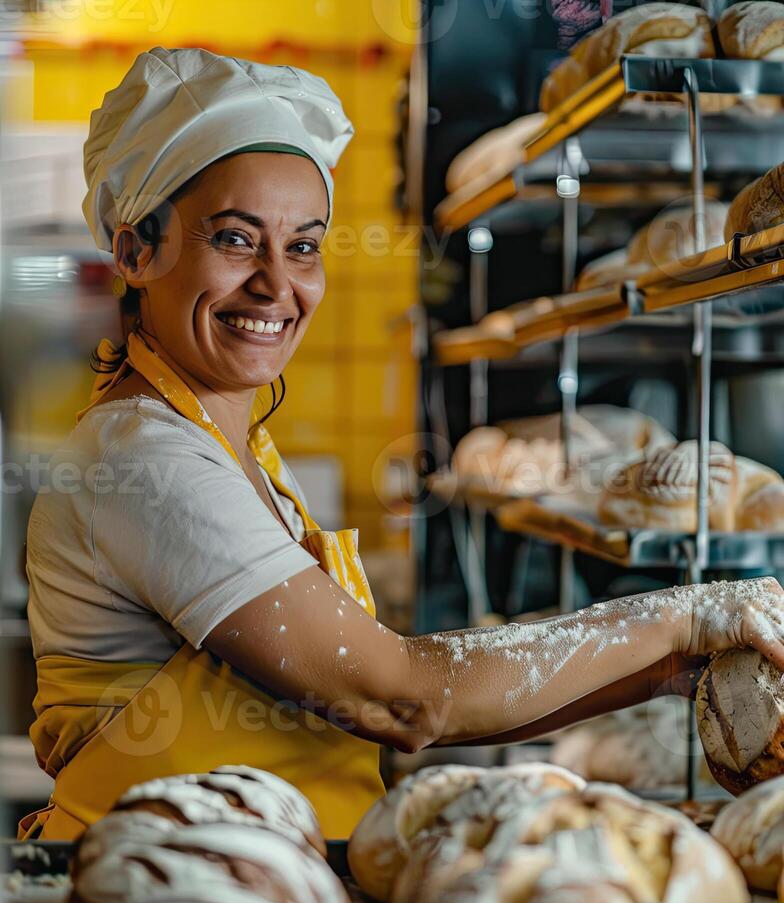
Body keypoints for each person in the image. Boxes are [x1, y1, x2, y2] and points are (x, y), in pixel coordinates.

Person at [19, 46, 784, 841]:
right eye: (237, 240)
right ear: (136, 251)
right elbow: (404, 698)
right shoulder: (145, 459)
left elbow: (402, 701)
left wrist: (664, 670)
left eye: (304, 245)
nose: (279, 286)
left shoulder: (234, 445)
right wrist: (687, 616)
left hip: (246, 882)